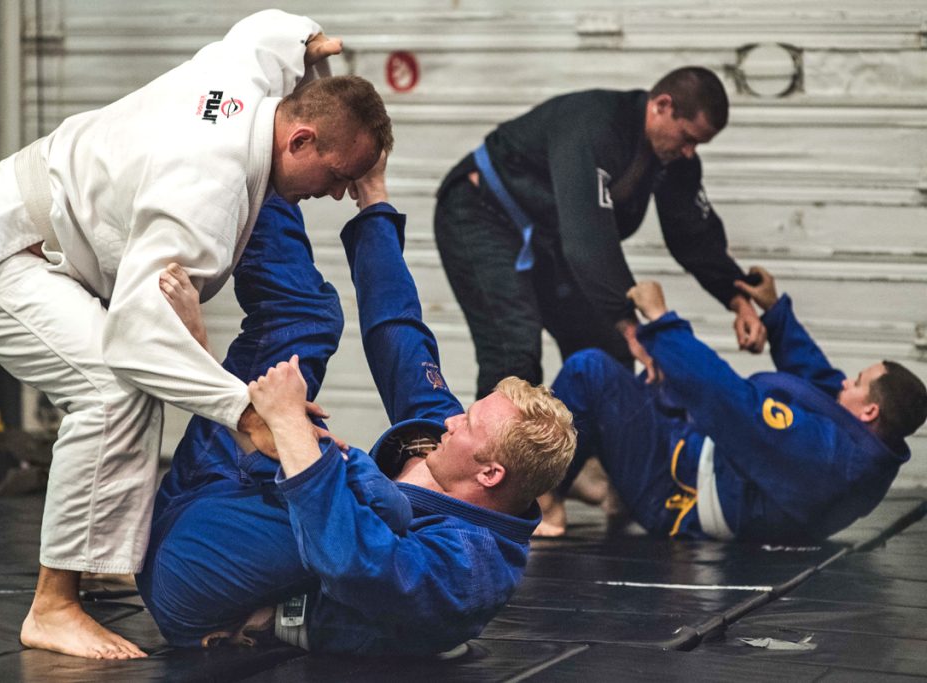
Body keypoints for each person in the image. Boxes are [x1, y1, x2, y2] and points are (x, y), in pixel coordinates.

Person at [0, 10, 392, 659]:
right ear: (301, 140)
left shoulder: (255, 79)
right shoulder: (209, 187)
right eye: (339, 176)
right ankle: (52, 606)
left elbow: (267, 29)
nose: (340, 193)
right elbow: (138, 337)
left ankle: (95, 554)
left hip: (42, 239)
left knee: (131, 382)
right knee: (112, 386)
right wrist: (244, 412)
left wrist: (311, 46)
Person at [136, 158, 576, 655]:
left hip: (194, 577)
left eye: (469, 423)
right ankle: (258, 161)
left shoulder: (470, 570)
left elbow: (352, 560)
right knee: (306, 318)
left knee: (369, 501)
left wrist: (289, 425)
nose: (452, 419)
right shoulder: (448, 448)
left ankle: (203, 366)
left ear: (491, 473)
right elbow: (400, 336)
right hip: (222, 488)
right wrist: (373, 196)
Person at [434, 66, 766, 397]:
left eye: (699, 144)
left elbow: (693, 235)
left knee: (608, 350)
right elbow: (587, 241)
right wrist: (629, 323)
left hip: (548, 234)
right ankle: (486, 449)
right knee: (513, 355)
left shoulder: (674, 157)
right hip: (481, 212)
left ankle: (587, 449)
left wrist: (738, 301)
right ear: (662, 105)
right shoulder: (596, 125)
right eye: (688, 138)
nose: (690, 152)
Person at [541, 268, 927, 543]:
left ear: (870, 412)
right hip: (692, 455)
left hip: (673, 492)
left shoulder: (827, 458)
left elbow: (729, 401)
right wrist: (775, 312)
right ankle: (605, 487)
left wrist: (661, 320)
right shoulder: (861, 446)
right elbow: (819, 379)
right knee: (650, 378)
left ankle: (545, 502)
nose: (846, 381)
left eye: (858, 382)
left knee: (588, 370)